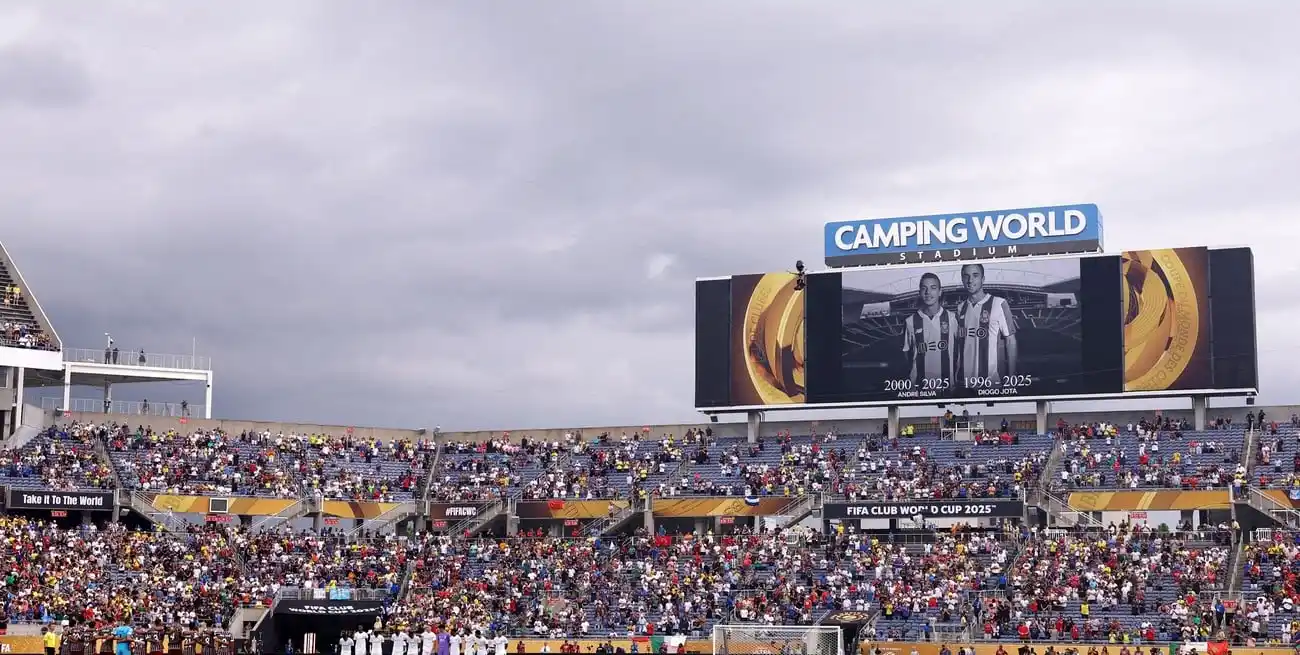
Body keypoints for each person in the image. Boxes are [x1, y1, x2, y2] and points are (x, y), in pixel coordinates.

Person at [956, 263, 1018, 387]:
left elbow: (1010, 341)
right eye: (966, 276)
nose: (970, 280)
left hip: (991, 383)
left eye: (975, 275)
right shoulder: (960, 308)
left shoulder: (999, 303)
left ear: (983, 279)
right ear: (962, 279)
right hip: (964, 383)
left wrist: (1012, 378)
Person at [901, 272, 958, 389]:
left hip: (947, 387)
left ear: (940, 292)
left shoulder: (952, 318)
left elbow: (960, 350)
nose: (928, 293)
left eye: (933, 288)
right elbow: (906, 354)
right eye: (924, 289)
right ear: (919, 293)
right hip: (919, 388)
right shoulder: (910, 321)